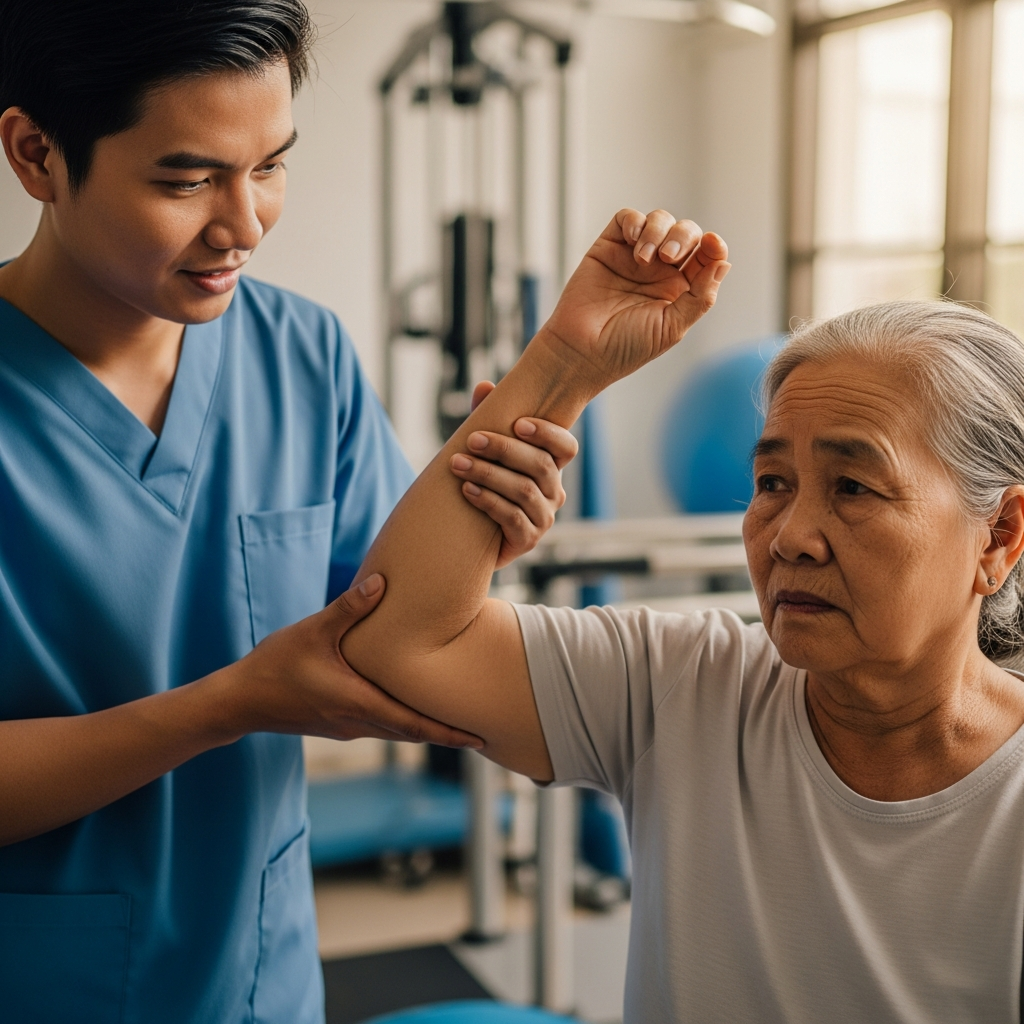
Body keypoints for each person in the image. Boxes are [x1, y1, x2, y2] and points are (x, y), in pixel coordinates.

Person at [0, 2, 579, 1021]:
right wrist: (232, 702)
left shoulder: (301, 353)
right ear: (37, 154)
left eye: (268, 165)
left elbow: (391, 627)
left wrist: (490, 519)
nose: (246, 223)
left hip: (266, 981)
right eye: (187, 181)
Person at [341, 208, 1024, 1022]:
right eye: (772, 483)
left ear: (1000, 534)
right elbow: (394, 637)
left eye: (853, 488)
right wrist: (566, 362)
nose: (792, 537)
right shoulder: (683, 684)